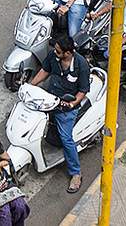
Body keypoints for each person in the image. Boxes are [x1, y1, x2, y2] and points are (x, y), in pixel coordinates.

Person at [27, 36, 89, 193]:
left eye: (59, 51)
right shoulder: (54, 56)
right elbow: (45, 71)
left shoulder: (81, 65)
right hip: (50, 98)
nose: (55, 52)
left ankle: (76, 173)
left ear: (68, 53)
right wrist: (30, 86)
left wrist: (72, 104)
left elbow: (82, 91)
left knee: (66, 138)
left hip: (66, 106)